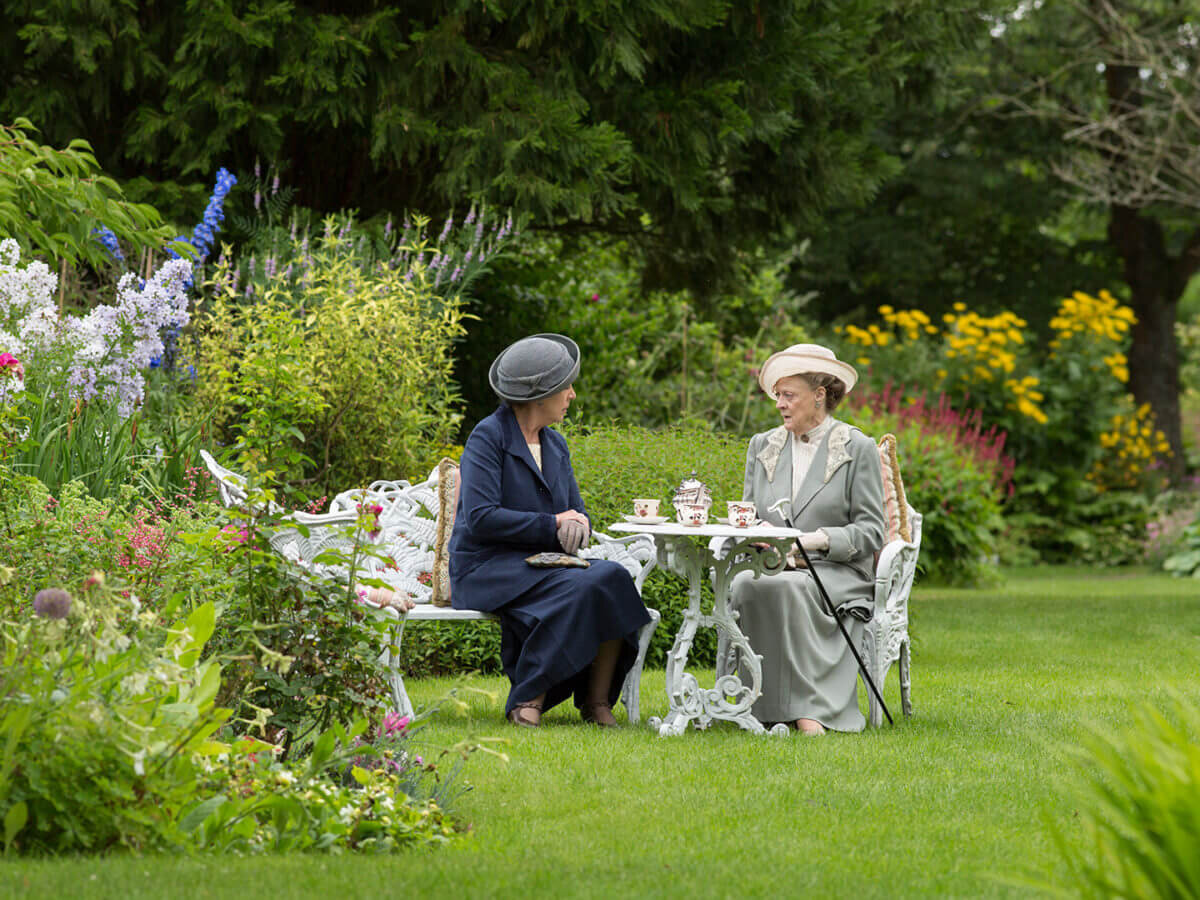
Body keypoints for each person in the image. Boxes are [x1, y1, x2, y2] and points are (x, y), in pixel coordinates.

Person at [449, 333, 652, 727]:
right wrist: (553, 524)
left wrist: (579, 524)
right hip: (487, 567)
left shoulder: (555, 444)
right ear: (540, 396)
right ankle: (528, 698)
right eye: (566, 387)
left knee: (612, 577)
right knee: (581, 588)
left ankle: (596, 703)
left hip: (542, 564)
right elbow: (480, 517)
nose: (572, 395)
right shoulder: (487, 438)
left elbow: (573, 510)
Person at [730, 343, 886, 735]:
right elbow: (748, 516)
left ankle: (812, 711)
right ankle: (756, 706)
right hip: (774, 565)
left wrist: (814, 541)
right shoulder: (762, 446)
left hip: (838, 571)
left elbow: (871, 530)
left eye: (789, 395)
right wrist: (756, 539)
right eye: (777, 395)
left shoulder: (856, 448)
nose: (780, 404)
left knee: (792, 590)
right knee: (747, 583)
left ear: (820, 395)